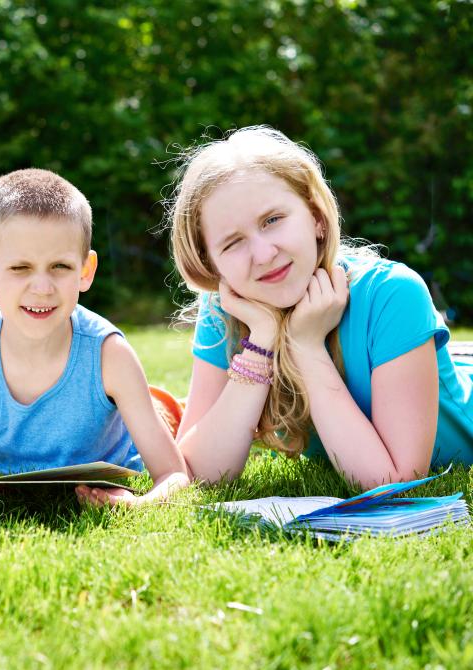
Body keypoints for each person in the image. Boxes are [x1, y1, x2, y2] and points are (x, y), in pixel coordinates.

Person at [167, 126, 473, 489]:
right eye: (233, 243)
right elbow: (198, 472)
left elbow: (394, 481)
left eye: (273, 220)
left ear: (315, 216)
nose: (264, 255)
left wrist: (308, 346)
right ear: (211, 263)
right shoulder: (225, 310)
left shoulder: (393, 293)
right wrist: (261, 341)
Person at [0, 168, 191, 506]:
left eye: (60, 267)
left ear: (85, 271)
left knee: (167, 412)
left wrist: (140, 503)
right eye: (20, 268)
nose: (43, 288)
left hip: (144, 411)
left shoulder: (110, 355)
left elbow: (175, 474)